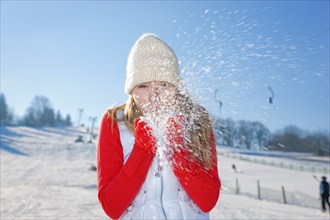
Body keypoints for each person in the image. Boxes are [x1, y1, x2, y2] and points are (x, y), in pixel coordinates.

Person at [97, 33, 221, 219]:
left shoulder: (197, 120)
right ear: (131, 90)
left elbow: (208, 200)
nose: (154, 95)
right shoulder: (114, 121)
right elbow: (111, 207)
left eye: (163, 84)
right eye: (143, 86)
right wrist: (142, 150)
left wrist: (176, 149)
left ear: (176, 87)